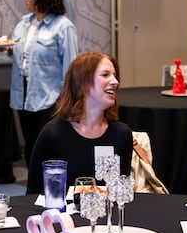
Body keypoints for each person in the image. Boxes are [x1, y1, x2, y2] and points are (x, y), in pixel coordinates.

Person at [26, 52, 132, 194]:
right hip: (62, 215)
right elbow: (34, 194)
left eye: (114, 75)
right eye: (105, 75)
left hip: (108, 214)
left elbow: (121, 193)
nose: (115, 81)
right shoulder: (53, 134)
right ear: (82, 83)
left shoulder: (121, 134)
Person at [8, 0, 78, 169]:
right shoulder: (23, 24)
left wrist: (69, 99)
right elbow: (21, 55)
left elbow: (71, 65)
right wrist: (7, 49)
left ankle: (53, 186)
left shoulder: (63, 26)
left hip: (50, 95)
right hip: (23, 92)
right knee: (30, 143)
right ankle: (34, 186)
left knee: (49, 144)